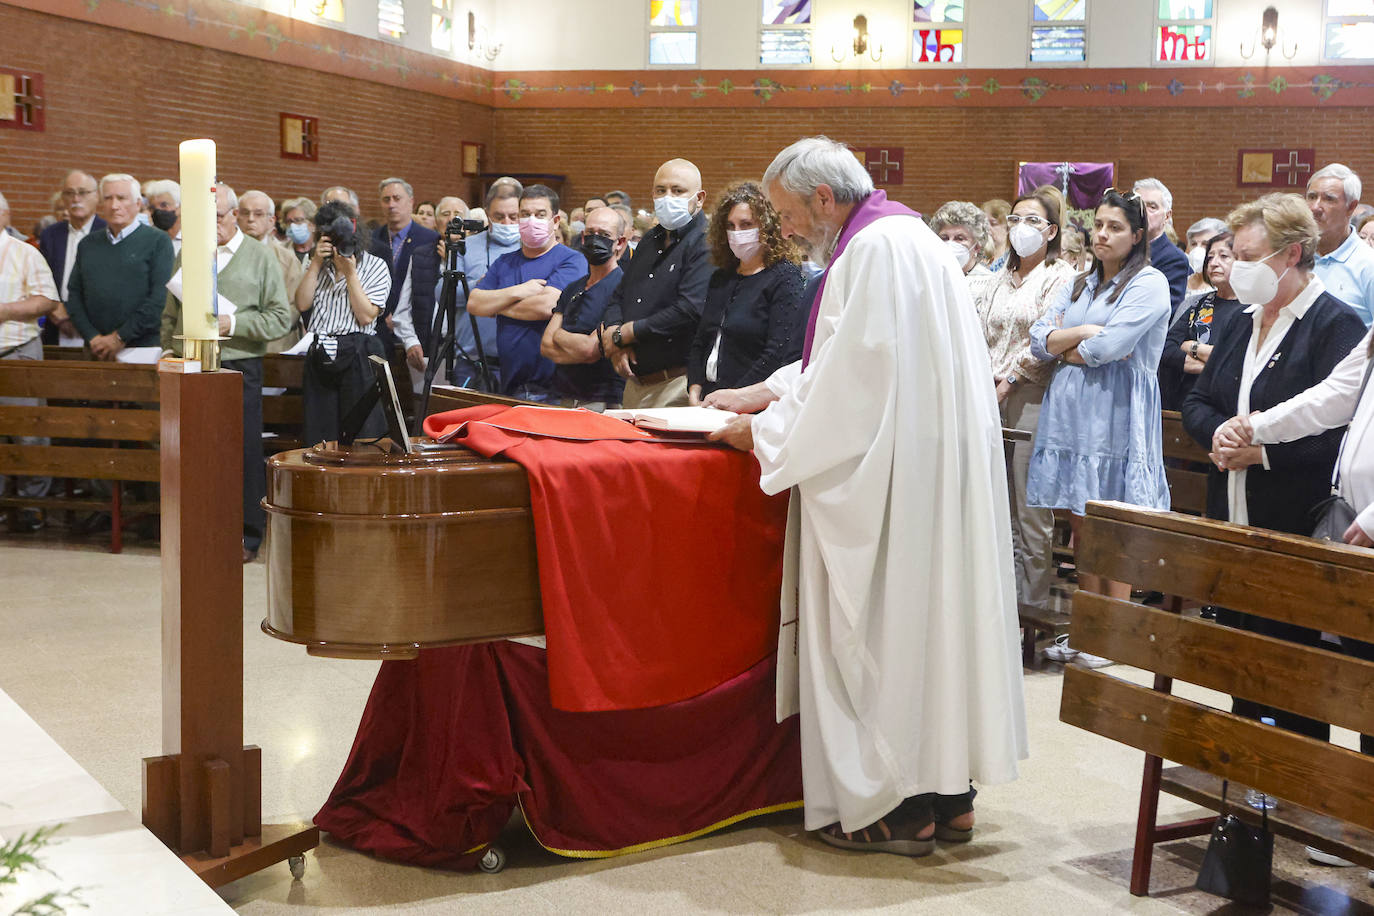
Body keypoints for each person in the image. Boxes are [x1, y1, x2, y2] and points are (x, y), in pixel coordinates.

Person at [708, 136, 1026, 857]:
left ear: (825, 198)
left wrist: (759, 434)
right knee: (933, 626)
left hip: (890, 480)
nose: (783, 228)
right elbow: (854, 358)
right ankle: (951, 797)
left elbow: (850, 388)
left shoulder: (874, 251)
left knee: (882, 624)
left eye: (787, 213)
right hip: (928, 467)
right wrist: (771, 390)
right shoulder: (909, 239)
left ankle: (895, 806)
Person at [1182, 192, 1364, 758]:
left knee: (1291, 658)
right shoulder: (1239, 320)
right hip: (1229, 504)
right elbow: (1200, 398)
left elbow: (1337, 425)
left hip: (1292, 509)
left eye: (1249, 256)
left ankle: (1296, 773)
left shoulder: (1335, 323)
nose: (1236, 268)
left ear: (1291, 255)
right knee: (1240, 651)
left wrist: (1260, 450)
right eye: (1232, 254)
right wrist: (1219, 435)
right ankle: (1248, 775)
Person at [1026, 188, 1173, 665]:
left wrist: (1077, 342)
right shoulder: (1079, 283)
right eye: (1099, 226)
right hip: (1071, 415)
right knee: (1081, 525)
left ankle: (1117, 635)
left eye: (1115, 227)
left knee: (1115, 527)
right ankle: (1089, 630)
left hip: (1117, 413)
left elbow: (1104, 351)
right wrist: (1084, 334)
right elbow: (1037, 341)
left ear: (1136, 235)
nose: (1104, 235)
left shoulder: (1148, 283)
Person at [161, 184, 294, 562]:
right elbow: (170, 312)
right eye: (202, 219)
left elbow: (280, 317)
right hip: (191, 363)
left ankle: (248, 535)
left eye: (217, 217)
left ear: (235, 215)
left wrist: (232, 321)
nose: (211, 225)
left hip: (239, 363)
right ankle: (198, 528)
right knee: (193, 450)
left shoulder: (260, 256)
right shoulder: (189, 252)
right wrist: (170, 348)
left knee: (241, 451)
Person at [971, 184, 1075, 614]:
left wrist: (1008, 382)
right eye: (1015, 219)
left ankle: (1030, 608)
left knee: (1029, 510)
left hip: (1031, 394)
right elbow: (976, 332)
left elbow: (1045, 341)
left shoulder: (1060, 276)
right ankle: (998, 609)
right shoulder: (996, 278)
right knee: (996, 507)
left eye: (1033, 221)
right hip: (985, 393)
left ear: (1051, 231)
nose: (1021, 228)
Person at [599, 159, 714, 408]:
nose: (667, 197)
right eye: (661, 190)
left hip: (676, 384)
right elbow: (620, 295)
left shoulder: (705, 242)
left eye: (678, 190)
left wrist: (627, 333)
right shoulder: (650, 239)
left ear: (700, 197)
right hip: (635, 383)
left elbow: (689, 309)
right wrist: (613, 333)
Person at [687, 181, 804, 404]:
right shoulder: (721, 277)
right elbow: (701, 339)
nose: (736, 233)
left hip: (752, 402)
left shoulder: (785, 277)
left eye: (746, 224)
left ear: (767, 227)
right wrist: (694, 387)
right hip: (706, 400)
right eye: (730, 226)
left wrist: (737, 396)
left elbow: (777, 351)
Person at [467, 184, 586, 401]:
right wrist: (519, 291)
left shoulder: (571, 259)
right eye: (525, 214)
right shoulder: (505, 262)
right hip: (510, 381)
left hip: (552, 385)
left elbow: (546, 306)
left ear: (555, 221)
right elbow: (474, 304)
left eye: (540, 215)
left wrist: (496, 306)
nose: (531, 220)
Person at [294, 200, 392, 446]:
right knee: (319, 434)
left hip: (360, 352)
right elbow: (302, 304)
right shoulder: (315, 263)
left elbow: (366, 315)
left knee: (362, 433)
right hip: (321, 352)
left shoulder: (375, 265)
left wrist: (350, 274)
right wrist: (315, 263)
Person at [66, 174, 175, 363]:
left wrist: (119, 337)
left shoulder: (158, 241)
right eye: (108, 198)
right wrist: (93, 337)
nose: (114, 205)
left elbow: (160, 298)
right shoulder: (88, 244)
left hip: (143, 349)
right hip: (95, 349)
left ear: (138, 203)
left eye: (121, 198)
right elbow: (74, 295)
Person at [0, 203, 60, 531]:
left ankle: (31, 502)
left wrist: (6, 310)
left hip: (15, 349)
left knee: (28, 431)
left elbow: (46, 300)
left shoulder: (24, 253)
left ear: (5, 216)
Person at [540, 204, 627, 411]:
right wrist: (578, 346)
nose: (595, 239)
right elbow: (545, 345)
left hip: (603, 400)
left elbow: (590, 351)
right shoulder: (573, 287)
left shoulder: (624, 287)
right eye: (590, 233)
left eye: (604, 234)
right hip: (563, 397)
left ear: (620, 243)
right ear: (582, 237)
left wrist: (559, 335)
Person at [441, 183, 523, 389]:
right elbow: (443, 293)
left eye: (514, 217)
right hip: (472, 361)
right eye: (498, 216)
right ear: (487, 214)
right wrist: (478, 286)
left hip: (520, 363)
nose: (506, 223)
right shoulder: (466, 246)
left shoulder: (534, 248)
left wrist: (492, 294)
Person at [370, 178, 440, 391]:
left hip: (416, 327)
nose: (391, 204)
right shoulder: (372, 239)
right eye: (386, 199)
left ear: (411, 202)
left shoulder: (430, 239)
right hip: (380, 325)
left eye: (397, 198)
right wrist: (383, 314)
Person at [1158, 232, 1240, 410]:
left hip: (1229, 406)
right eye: (1210, 257)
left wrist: (1192, 347)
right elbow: (1167, 348)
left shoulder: (1253, 307)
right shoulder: (1197, 304)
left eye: (1224, 256)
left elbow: (1239, 360)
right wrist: (1209, 367)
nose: (1214, 263)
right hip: (1188, 401)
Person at [38, 170, 105, 346]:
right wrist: (55, 309)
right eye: (69, 193)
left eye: (82, 193)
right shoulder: (50, 235)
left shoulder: (108, 233)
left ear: (96, 196)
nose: (76, 199)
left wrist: (79, 317)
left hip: (98, 330)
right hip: (56, 325)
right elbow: (43, 278)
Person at [1307, 163, 1374, 326]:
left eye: (1328, 199)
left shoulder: (1368, 266)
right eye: (1311, 196)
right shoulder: (1295, 257)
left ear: (1351, 207)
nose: (1315, 207)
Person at [238, 190, 306, 350]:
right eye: (245, 213)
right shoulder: (223, 254)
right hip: (233, 344)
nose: (251, 219)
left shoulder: (287, 259)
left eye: (258, 214)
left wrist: (257, 329)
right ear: (236, 216)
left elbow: (293, 308)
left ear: (271, 220)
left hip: (274, 345)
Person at [1133, 178, 1190, 312]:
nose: (1143, 212)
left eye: (1152, 207)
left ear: (1167, 216)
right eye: (1138, 205)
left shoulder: (1174, 259)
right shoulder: (1119, 249)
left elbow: (1161, 311)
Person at [928, 201, 993, 277]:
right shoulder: (930, 278)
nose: (950, 243)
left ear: (977, 247)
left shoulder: (993, 284)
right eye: (944, 238)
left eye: (959, 238)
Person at [144, 179, 182, 253]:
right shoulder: (145, 239)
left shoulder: (195, 238)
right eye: (152, 208)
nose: (157, 211)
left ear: (180, 206)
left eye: (164, 205)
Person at [281, 197, 317, 265]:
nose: (292, 225)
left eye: (298, 220)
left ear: (312, 224)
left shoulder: (321, 251)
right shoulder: (280, 251)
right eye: (289, 221)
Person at [981, 198, 1012, 273]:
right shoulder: (975, 256)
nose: (987, 228)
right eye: (984, 223)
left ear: (1008, 228)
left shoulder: (1012, 259)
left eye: (993, 224)